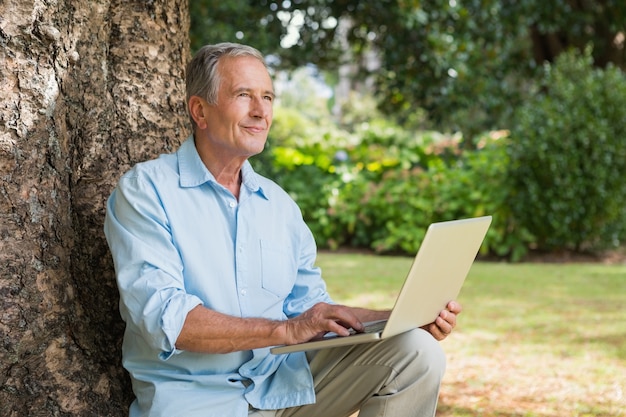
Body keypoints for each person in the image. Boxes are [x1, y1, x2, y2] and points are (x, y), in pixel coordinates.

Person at [104, 42, 462, 417]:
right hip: (196, 402)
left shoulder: (280, 206)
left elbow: (311, 310)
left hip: (281, 388)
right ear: (200, 110)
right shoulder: (146, 191)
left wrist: (399, 319)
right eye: (244, 95)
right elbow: (166, 320)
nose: (261, 112)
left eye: (268, 97)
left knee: (416, 352)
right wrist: (284, 331)